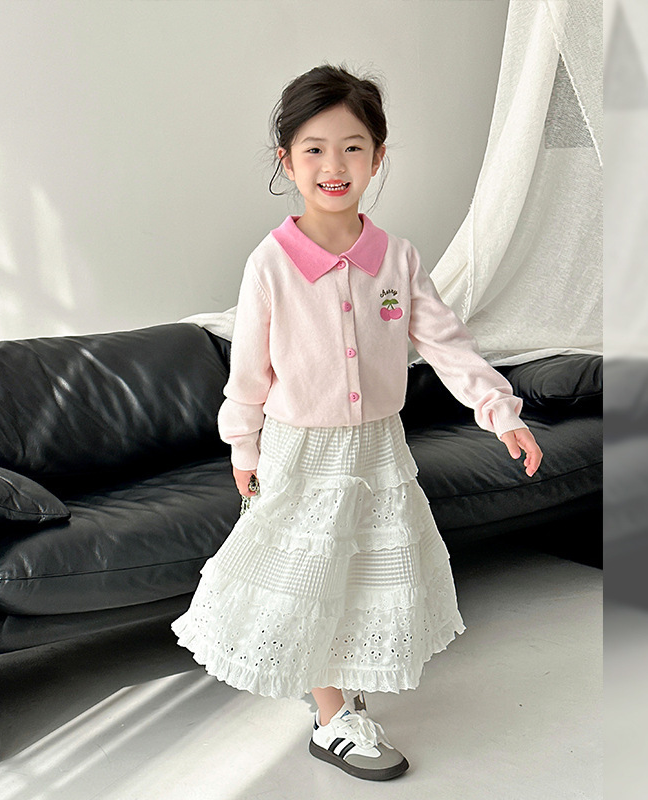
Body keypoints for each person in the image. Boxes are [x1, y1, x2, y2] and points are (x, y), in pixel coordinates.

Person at [171, 63, 543, 782]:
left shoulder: (397, 259)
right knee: (308, 577)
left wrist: (501, 414)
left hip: (377, 448)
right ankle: (332, 717)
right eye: (313, 149)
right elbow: (248, 374)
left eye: (352, 147)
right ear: (286, 161)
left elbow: (445, 343)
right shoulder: (270, 264)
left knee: (361, 573)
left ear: (377, 158)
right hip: (299, 451)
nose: (333, 165)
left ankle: (338, 693)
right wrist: (243, 447)